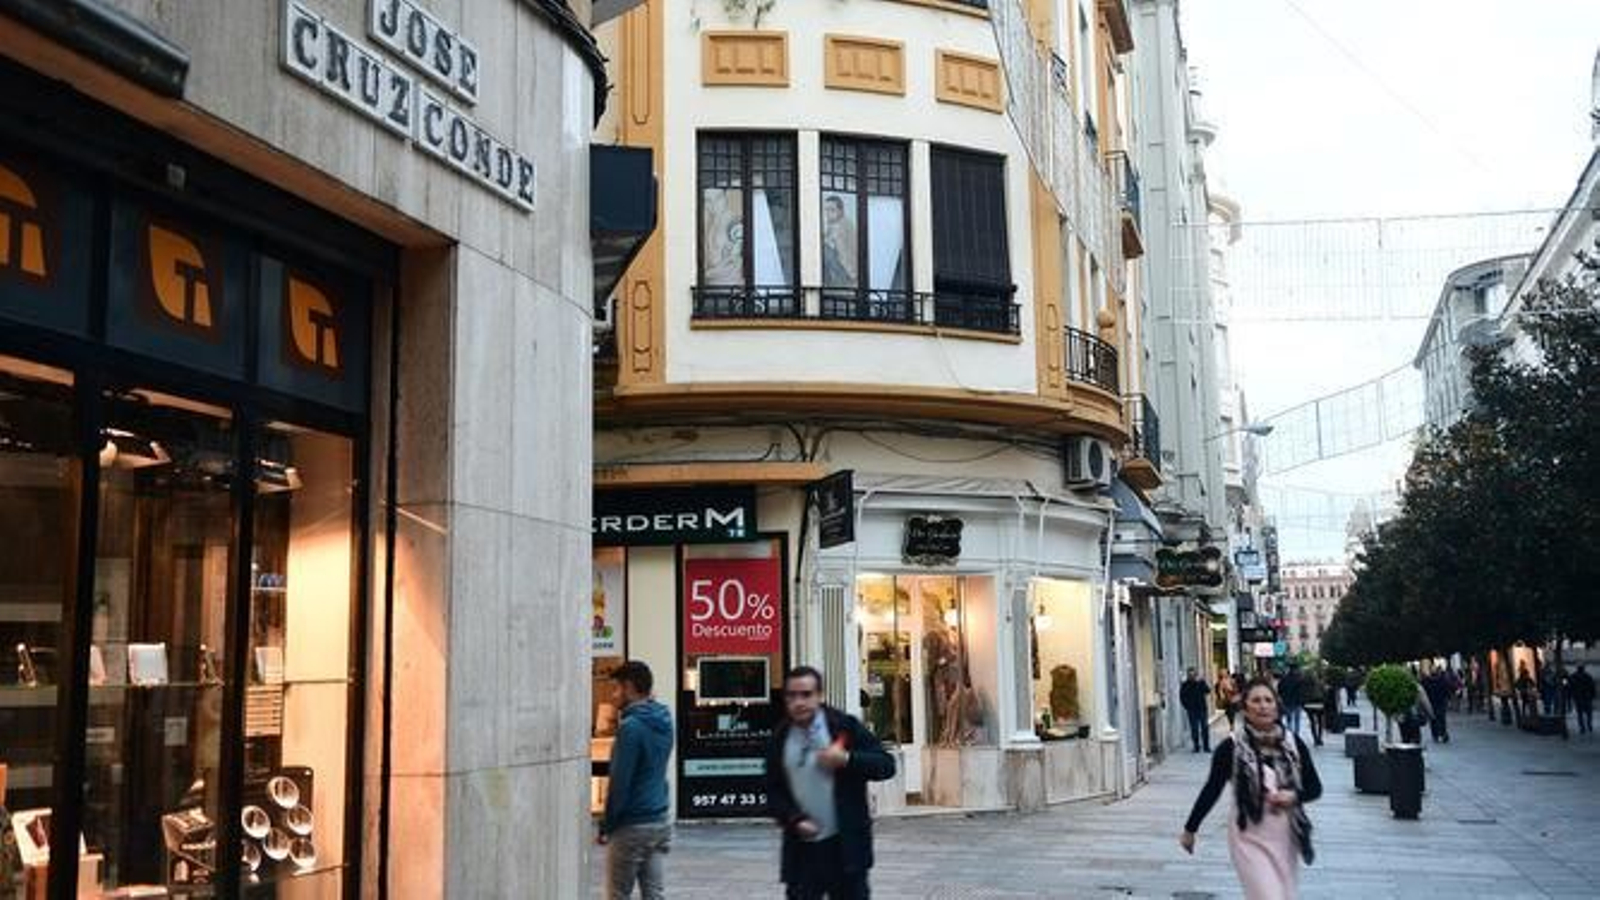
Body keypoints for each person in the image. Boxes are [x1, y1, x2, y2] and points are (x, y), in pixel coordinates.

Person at [1179, 678, 1323, 899]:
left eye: (1268, 700)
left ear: (1277, 706)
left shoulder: (1293, 745)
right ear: (1245, 709)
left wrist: (1293, 796)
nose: (1263, 706)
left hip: (1285, 836)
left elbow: (1315, 788)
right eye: (1256, 700)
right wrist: (1191, 829)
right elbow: (1212, 789)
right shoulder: (1231, 748)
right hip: (1248, 834)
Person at [766, 665, 896, 899]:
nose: (799, 702)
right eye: (792, 695)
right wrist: (794, 819)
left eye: (806, 695)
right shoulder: (780, 737)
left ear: (820, 696)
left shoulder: (843, 727)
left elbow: (886, 765)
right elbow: (773, 791)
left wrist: (847, 759)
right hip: (803, 851)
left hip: (845, 849)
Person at [598, 661, 675, 900]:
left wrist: (606, 825)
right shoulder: (665, 720)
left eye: (616, 689)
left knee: (617, 895)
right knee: (654, 894)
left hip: (631, 824)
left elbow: (620, 783)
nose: (613, 696)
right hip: (659, 820)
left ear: (629, 687)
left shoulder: (631, 727)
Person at [1181, 668, 1213, 753]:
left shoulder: (1201, 683)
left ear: (1196, 675)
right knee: (1194, 729)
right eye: (1190, 675)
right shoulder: (1185, 685)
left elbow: (1208, 691)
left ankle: (1206, 746)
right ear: (1188, 675)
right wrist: (1187, 707)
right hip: (1192, 710)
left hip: (1202, 709)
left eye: (1193, 674)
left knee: (1204, 728)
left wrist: (1202, 682)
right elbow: (1182, 697)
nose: (1192, 676)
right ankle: (1196, 746)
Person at [1422, 669, 1453, 743]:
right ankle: (1443, 733)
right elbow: (1447, 689)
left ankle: (1435, 734)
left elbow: (1425, 692)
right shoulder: (1442, 681)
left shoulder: (1427, 682)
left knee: (1433, 719)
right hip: (1441, 702)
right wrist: (1448, 698)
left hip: (1431, 703)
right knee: (1442, 718)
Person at [1276, 665, 1304, 737]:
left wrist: (1282, 698)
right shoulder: (1300, 679)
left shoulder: (1284, 679)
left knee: (1289, 718)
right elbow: (1302, 691)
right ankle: (1296, 734)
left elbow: (1280, 690)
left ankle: (1290, 732)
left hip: (1287, 701)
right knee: (1297, 719)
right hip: (1297, 701)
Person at [1568, 664, 1595, 734]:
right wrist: (1592, 695)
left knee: (1580, 714)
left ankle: (1582, 727)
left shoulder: (1573, 676)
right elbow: (1592, 686)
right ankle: (1589, 725)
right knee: (1588, 713)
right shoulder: (1588, 676)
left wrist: (1571, 695)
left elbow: (1570, 687)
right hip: (1586, 697)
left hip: (1578, 697)